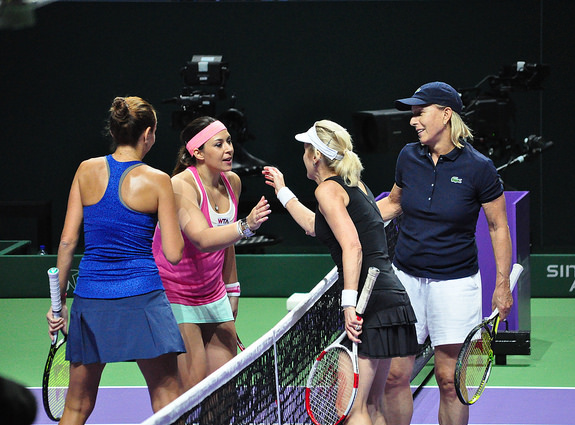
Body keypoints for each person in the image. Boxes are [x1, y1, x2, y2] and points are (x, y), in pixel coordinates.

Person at [263, 120, 420, 425]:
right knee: (373, 404)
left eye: (305, 149)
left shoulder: (326, 190)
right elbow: (314, 226)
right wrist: (282, 192)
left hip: (366, 302)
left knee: (348, 409)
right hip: (391, 297)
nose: (303, 156)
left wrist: (349, 303)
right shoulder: (354, 185)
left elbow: (353, 247)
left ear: (315, 157)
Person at [377, 81, 514, 425]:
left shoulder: (479, 167)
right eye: (412, 113)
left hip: (454, 285)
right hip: (405, 280)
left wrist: (501, 284)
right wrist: (348, 221)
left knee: (449, 382)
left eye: (419, 112)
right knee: (394, 376)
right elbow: (393, 203)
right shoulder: (408, 156)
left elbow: (498, 227)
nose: (413, 120)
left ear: (446, 114)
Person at [46, 96, 185, 425]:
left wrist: (57, 304)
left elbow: (67, 241)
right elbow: (174, 253)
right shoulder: (158, 180)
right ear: (148, 133)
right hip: (143, 300)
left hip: (91, 301)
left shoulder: (85, 171)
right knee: (169, 397)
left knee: (77, 405)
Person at [152, 116, 271, 391]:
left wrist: (232, 290)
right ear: (197, 152)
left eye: (229, 141)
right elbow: (204, 239)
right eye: (219, 144)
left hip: (213, 293)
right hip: (176, 295)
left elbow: (225, 242)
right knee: (191, 390)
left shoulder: (233, 182)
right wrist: (247, 226)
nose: (228, 149)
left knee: (224, 387)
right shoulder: (181, 186)